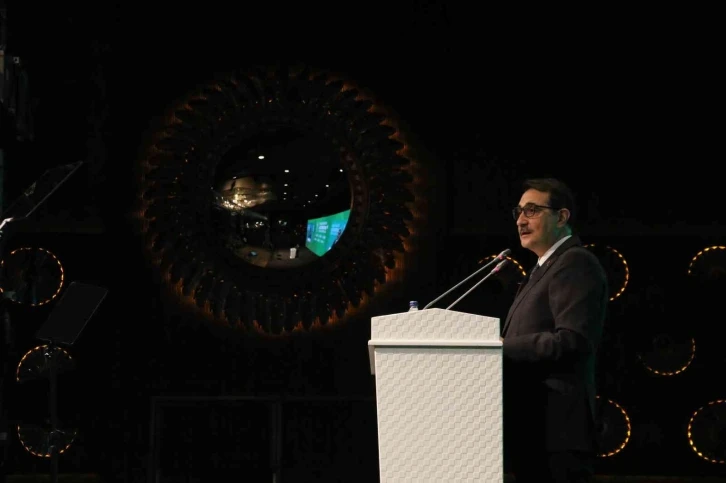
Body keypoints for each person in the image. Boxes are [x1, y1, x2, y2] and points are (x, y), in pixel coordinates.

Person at [500, 178, 608, 483]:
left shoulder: (575, 263)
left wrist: (499, 346)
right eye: (518, 212)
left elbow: (572, 341)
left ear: (561, 217)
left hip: (558, 431)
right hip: (534, 428)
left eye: (532, 210)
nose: (521, 220)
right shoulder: (542, 269)